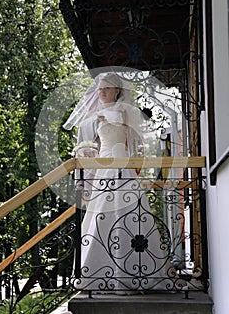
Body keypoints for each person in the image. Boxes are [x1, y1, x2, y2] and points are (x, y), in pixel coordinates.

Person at [63, 71, 182, 294]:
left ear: (117, 90)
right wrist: (89, 151)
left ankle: (133, 274)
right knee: (101, 215)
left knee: (128, 212)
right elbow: (96, 140)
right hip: (103, 165)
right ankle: (99, 272)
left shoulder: (126, 110)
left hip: (121, 163)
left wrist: (110, 119)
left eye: (107, 88)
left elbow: (135, 138)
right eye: (100, 89)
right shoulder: (96, 113)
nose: (102, 92)